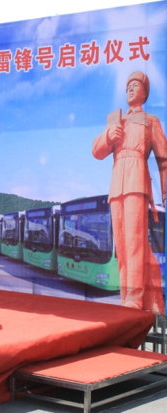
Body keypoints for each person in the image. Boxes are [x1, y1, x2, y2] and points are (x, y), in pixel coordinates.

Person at [92, 71, 167, 314]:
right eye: (128, 86)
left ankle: (135, 298)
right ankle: (127, 297)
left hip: (137, 180)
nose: (130, 89)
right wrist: (108, 136)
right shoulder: (117, 121)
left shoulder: (151, 120)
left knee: (135, 242)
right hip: (117, 185)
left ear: (145, 92)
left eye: (135, 85)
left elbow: (164, 160)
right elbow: (97, 152)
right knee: (122, 246)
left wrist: (165, 193)